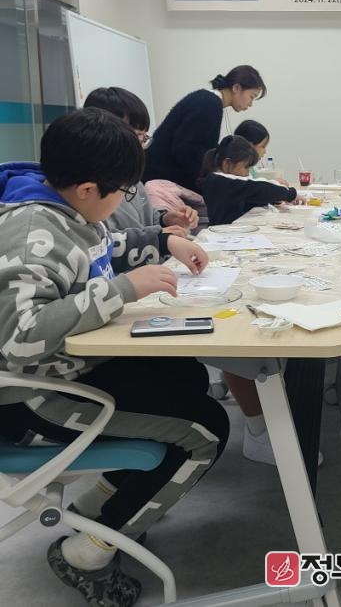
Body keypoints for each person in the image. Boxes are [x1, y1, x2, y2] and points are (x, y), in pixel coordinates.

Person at [0, 108, 228, 607]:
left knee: (186, 377)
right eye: (123, 191)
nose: (126, 199)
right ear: (87, 189)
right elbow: (19, 337)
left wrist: (165, 240)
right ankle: (86, 555)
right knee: (206, 429)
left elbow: (105, 246)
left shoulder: (66, 210)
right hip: (36, 393)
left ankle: (101, 509)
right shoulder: (32, 231)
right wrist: (121, 290)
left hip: (71, 369)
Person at [83, 87, 197, 237]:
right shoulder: (89, 188)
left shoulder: (133, 179)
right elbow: (102, 241)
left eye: (143, 137)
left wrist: (165, 219)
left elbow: (146, 219)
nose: (140, 146)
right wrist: (155, 238)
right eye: (136, 135)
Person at [143, 65, 266, 192]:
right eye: (252, 97)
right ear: (236, 88)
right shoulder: (209, 104)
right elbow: (186, 150)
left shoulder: (208, 101)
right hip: (160, 180)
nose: (250, 104)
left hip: (162, 176)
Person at [199, 135, 298, 224]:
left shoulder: (218, 180)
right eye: (245, 168)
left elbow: (250, 198)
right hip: (223, 233)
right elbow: (258, 188)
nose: (247, 173)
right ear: (227, 164)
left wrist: (274, 199)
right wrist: (290, 194)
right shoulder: (220, 181)